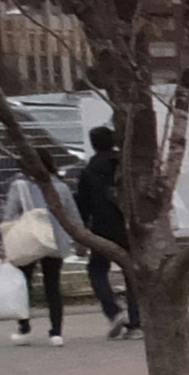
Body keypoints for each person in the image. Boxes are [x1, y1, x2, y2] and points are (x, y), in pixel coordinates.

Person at [74, 124, 135, 337]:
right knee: (131, 271)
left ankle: (113, 309)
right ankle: (136, 322)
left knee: (97, 270)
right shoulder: (126, 166)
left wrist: (81, 233)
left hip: (101, 227)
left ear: (92, 144)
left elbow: (82, 204)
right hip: (129, 226)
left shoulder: (89, 171)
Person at [3, 166, 67, 345]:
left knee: (24, 285)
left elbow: (9, 215)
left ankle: (24, 328)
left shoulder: (20, 186)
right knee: (53, 286)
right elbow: (71, 213)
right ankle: (56, 332)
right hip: (54, 240)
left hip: (28, 241)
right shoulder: (59, 186)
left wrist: (5, 243)